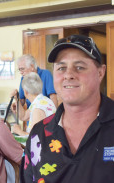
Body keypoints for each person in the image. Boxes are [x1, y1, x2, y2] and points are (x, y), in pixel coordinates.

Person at [22, 35, 114, 183]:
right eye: (61, 68)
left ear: (100, 73)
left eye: (79, 67)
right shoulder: (38, 135)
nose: (69, 75)